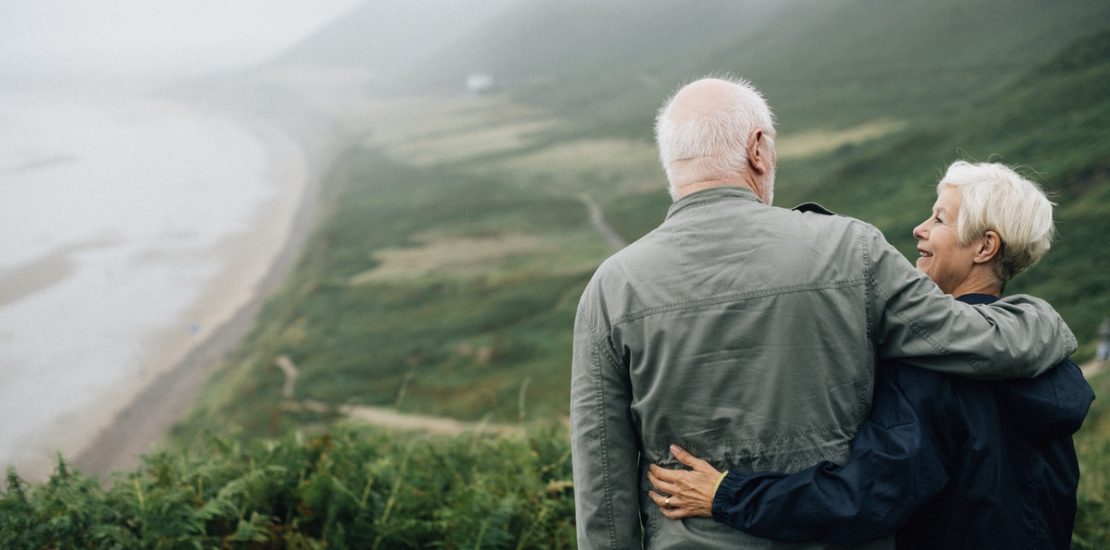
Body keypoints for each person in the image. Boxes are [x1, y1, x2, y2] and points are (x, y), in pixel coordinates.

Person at [570, 77, 1077, 549]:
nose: (923, 229)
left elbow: (603, 483)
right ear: (758, 149)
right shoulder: (852, 250)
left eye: (939, 218)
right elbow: (973, 341)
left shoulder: (610, 288)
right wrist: (1044, 321)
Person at [646, 161, 1094, 548]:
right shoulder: (1048, 362)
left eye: (940, 219)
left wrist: (726, 494)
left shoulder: (933, 369)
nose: (920, 228)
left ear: (984, 247)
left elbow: (863, 500)